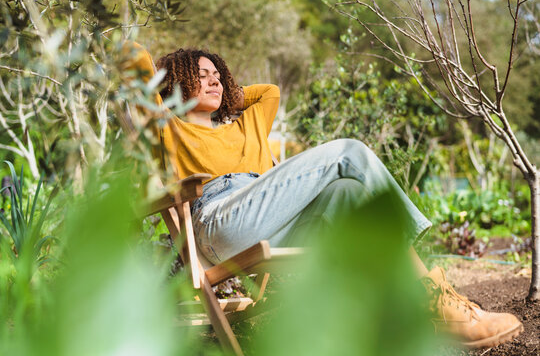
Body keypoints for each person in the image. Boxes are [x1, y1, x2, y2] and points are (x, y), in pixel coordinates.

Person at [154, 47, 523, 348]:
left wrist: (224, 91)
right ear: (177, 83)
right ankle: (437, 304)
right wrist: (182, 90)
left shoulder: (247, 122)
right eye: (201, 75)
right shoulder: (169, 127)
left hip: (270, 220)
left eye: (217, 74)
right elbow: (140, 74)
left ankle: (418, 305)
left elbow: (270, 92)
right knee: (349, 152)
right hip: (221, 223)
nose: (214, 79)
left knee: (347, 191)